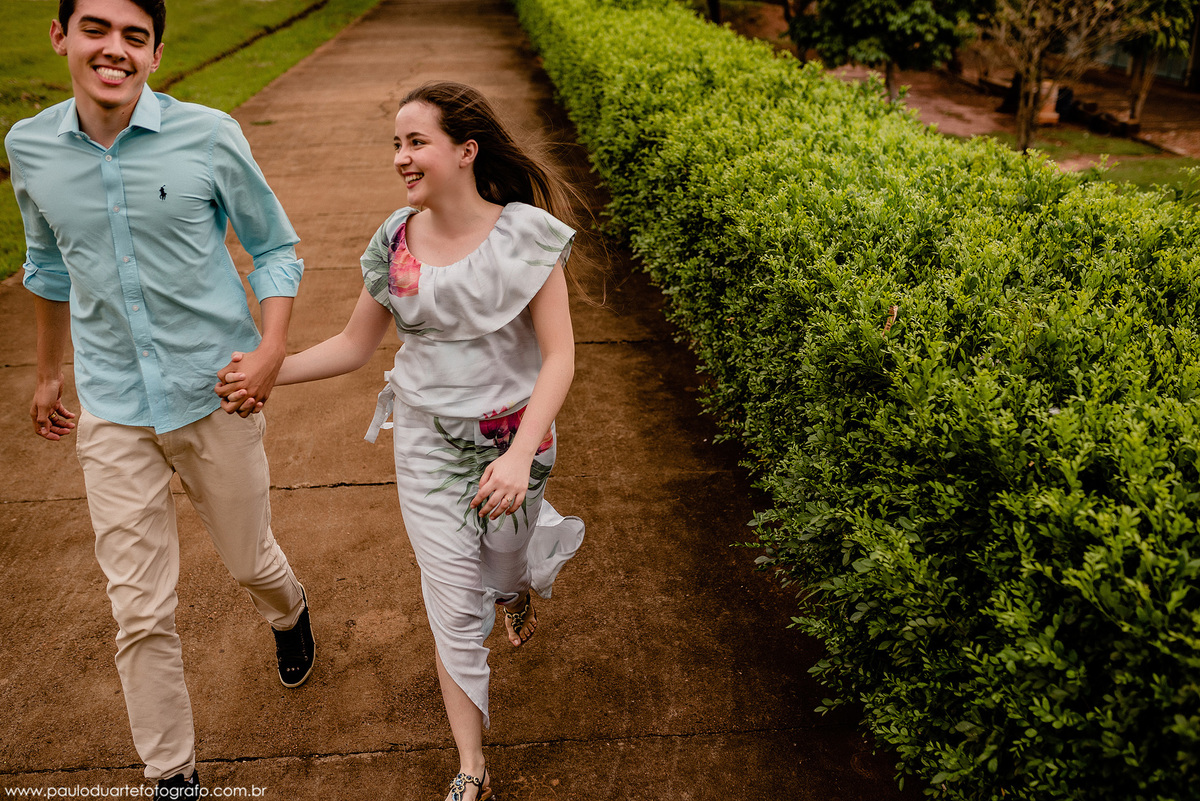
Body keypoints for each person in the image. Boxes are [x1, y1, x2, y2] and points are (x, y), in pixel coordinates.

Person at [218, 81, 585, 801]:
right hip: (425, 442)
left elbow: (561, 357)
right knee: (452, 602)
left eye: (416, 142)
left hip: (515, 442)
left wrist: (517, 454)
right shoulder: (394, 240)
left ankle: (516, 589)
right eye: (396, 143)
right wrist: (268, 373)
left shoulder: (526, 235)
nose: (401, 158)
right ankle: (472, 766)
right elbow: (356, 346)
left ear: (465, 150)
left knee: (503, 572)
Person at [5, 0, 315, 797]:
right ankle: (171, 774)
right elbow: (46, 268)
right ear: (61, 36)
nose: (114, 49)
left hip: (217, 394)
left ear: (156, 52)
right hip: (113, 408)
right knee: (139, 611)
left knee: (251, 563)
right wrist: (49, 374)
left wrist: (271, 349)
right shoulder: (29, 147)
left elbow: (275, 246)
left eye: (133, 36)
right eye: (97, 29)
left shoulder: (208, 134)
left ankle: (290, 612)